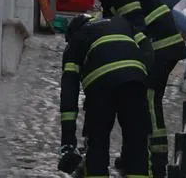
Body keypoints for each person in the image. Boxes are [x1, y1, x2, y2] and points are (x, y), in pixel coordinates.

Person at [72, 0, 186, 178]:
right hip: (158, 47)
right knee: (137, 104)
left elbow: (135, 29)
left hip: (159, 49)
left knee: (148, 102)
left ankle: (157, 164)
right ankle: (132, 158)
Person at [57, 14, 153, 178]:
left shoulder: (76, 39)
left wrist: (68, 141)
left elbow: (69, 92)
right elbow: (147, 48)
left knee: (97, 144)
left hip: (100, 84)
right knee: (138, 144)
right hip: (134, 80)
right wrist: (141, 77)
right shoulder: (122, 22)